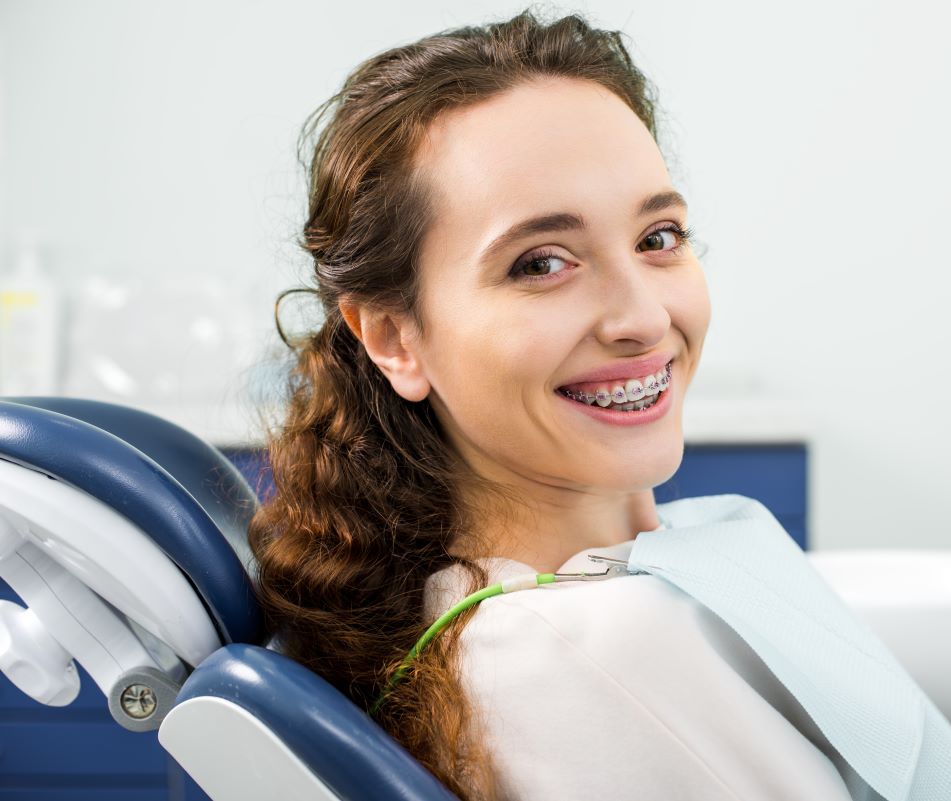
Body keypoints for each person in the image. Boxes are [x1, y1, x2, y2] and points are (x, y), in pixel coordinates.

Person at [248, 9, 857, 800]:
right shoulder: (590, 649)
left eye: (658, 236)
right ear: (395, 336)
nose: (642, 318)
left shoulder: (611, 590)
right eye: (541, 262)